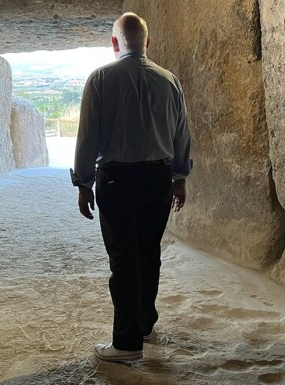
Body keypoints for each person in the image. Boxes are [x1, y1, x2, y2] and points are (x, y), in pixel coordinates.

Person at [70, 12, 191, 362]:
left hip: (116, 178)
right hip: (158, 179)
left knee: (123, 259)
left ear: (114, 43)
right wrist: (179, 179)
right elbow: (182, 134)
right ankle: (145, 323)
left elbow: (87, 137)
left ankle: (126, 344)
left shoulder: (100, 79)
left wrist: (82, 182)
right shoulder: (169, 81)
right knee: (149, 253)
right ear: (147, 43)